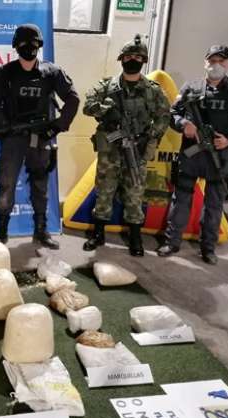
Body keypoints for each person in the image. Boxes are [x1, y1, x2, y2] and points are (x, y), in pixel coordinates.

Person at [157, 45, 228, 264]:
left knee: (214, 205)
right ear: (205, 62)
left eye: (221, 61)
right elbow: (173, 113)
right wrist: (184, 125)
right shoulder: (192, 86)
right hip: (191, 155)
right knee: (180, 200)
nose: (216, 65)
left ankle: (208, 248)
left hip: (218, 156)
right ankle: (172, 243)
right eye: (212, 60)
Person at [0, 24, 80, 249]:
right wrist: (4, 125)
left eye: (33, 43)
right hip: (14, 138)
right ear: (15, 46)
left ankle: (41, 230)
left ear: (39, 45)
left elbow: (73, 98)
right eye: (23, 44)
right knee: (7, 183)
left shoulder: (52, 72)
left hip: (41, 137)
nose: (28, 48)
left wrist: (56, 127)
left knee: (40, 185)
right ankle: (1, 233)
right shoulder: (5, 73)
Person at [81, 35, 171, 256]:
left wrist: (149, 138)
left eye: (138, 57)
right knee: (104, 190)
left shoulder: (153, 90)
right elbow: (88, 107)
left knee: (135, 193)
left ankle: (135, 237)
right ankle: (98, 234)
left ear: (144, 60)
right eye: (129, 56)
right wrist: (106, 110)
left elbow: (164, 116)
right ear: (121, 59)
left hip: (137, 149)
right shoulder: (107, 86)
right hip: (110, 149)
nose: (133, 60)